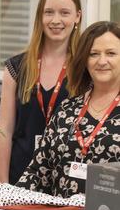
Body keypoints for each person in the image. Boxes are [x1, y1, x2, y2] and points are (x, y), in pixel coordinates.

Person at [16, 21, 120, 197]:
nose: (102, 61)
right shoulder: (67, 109)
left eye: (111, 53)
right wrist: (5, 196)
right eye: (93, 54)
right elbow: (38, 172)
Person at [0, 0, 82, 184]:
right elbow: (5, 131)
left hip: (68, 179)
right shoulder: (16, 67)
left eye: (64, 13)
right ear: (40, 17)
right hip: (21, 176)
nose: (56, 20)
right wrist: (2, 184)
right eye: (49, 12)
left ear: (77, 16)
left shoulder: (84, 68)